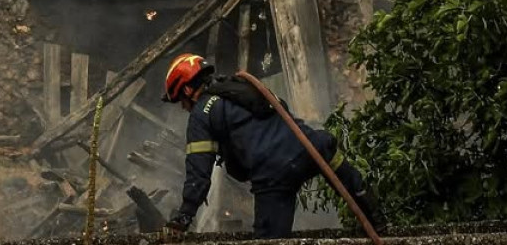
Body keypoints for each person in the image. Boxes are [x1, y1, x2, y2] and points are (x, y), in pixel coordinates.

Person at [162, 53, 386, 238]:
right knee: (327, 148)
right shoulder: (242, 87)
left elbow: (199, 171)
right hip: (308, 149)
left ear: (187, 91)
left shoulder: (201, 113)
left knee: (269, 240)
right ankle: (376, 219)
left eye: (181, 101)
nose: (184, 107)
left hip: (274, 177)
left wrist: (184, 216)